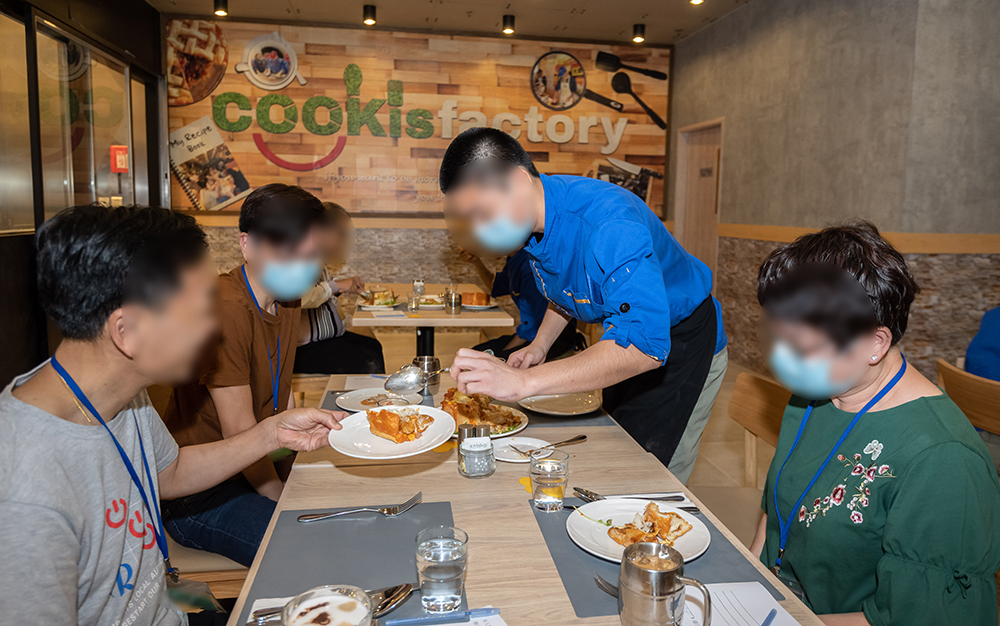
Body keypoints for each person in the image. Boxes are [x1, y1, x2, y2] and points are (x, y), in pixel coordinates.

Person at [0, 204, 344, 626]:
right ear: (127, 331)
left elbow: (172, 471)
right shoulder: (23, 494)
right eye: (200, 311)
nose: (213, 329)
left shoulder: (121, 394)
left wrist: (271, 434)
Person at [748, 220, 1000, 625]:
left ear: (875, 343)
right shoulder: (815, 394)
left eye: (803, 345)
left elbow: (913, 618)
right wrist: (748, 587)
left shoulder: (943, 461)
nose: (783, 358)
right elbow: (775, 512)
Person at [442, 128, 728, 482]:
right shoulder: (535, 219)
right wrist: (540, 345)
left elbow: (644, 348)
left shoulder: (610, 223)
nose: (480, 228)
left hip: (682, 341)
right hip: (620, 336)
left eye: (483, 213)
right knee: (616, 448)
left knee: (653, 472)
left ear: (517, 180)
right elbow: (566, 292)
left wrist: (523, 381)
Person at [162, 184, 328, 566]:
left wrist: (295, 476)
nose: (300, 263)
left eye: (310, 252)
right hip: (200, 491)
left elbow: (282, 399)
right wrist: (283, 496)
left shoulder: (287, 296)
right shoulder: (227, 308)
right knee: (309, 555)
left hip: (256, 467)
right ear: (247, 245)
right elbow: (240, 432)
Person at [294, 202, 386, 374]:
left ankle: (372, 398)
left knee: (373, 347)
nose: (342, 240)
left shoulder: (317, 258)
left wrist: (340, 288)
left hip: (325, 341)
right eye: (340, 234)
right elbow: (301, 296)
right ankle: (362, 398)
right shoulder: (300, 258)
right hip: (305, 350)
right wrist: (336, 285)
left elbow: (319, 289)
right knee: (365, 360)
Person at [458, 245, 578, 360]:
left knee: (490, 361)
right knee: (475, 353)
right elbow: (497, 285)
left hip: (552, 339)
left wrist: (502, 354)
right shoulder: (514, 259)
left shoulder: (529, 266)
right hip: (532, 333)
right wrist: (476, 262)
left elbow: (531, 327)